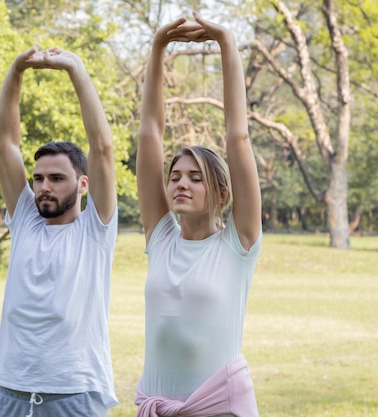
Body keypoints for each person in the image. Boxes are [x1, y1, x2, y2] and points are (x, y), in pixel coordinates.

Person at [134, 11, 262, 417]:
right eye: (175, 177)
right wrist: (157, 48)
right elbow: (150, 133)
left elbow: (237, 135)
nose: (181, 184)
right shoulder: (161, 236)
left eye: (196, 178)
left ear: (222, 192)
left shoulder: (238, 243)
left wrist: (225, 41)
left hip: (216, 409)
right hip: (157, 408)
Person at [0, 45, 118, 417]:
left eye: (57, 178)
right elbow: (4, 145)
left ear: (82, 185)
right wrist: (15, 72)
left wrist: (76, 69)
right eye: (39, 178)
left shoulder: (95, 229)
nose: (44, 186)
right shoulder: (27, 220)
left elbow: (103, 148)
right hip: (12, 392)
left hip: (74, 395)